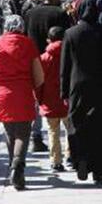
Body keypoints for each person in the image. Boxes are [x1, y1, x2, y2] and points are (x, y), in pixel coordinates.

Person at [0, 15, 44, 190]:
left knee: (10, 132)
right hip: (23, 93)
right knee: (23, 133)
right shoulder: (28, 44)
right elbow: (38, 74)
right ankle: (18, 164)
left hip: (3, 95)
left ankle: (13, 165)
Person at [61, 0, 102, 184]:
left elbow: (65, 66)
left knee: (77, 124)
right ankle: (100, 168)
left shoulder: (71, 33)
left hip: (77, 85)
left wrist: (63, 91)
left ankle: (81, 159)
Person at [24, 0, 73, 152]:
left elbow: (24, 37)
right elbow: (68, 37)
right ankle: (66, 138)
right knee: (58, 94)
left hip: (34, 61)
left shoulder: (30, 14)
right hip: (55, 60)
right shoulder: (59, 13)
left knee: (36, 98)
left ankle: (35, 137)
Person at [38, 26, 74, 172]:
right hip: (67, 99)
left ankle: (55, 161)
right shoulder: (70, 55)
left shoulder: (43, 58)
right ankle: (70, 156)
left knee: (53, 131)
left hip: (49, 99)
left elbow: (38, 82)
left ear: (48, 40)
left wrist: (39, 99)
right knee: (70, 129)